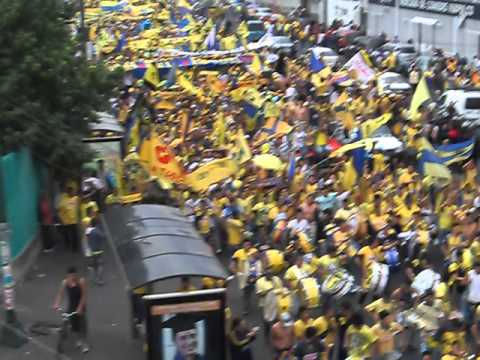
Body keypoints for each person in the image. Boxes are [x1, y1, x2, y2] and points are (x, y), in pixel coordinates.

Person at [53, 267, 89, 353]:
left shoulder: (81, 281)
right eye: (69, 276)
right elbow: (60, 294)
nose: (71, 278)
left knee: (82, 325)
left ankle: (83, 343)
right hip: (72, 306)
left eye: (73, 276)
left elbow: (84, 295)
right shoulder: (65, 282)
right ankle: (78, 339)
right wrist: (56, 304)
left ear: (76, 275)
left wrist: (80, 307)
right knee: (74, 326)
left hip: (80, 306)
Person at [57, 186, 80, 253]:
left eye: (74, 192)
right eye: (72, 192)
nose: (73, 193)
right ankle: (67, 243)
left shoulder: (76, 198)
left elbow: (81, 201)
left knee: (74, 234)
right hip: (66, 221)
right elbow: (59, 210)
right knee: (66, 234)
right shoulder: (63, 200)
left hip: (74, 221)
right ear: (68, 192)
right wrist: (60, 219)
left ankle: (75, 248)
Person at [85, 217, 106, 285]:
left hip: (91, 251)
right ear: (96, 224)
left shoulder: (88, 231)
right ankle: (99, 280)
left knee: (92, 265)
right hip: (98, 251)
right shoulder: (97, 231)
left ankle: (94, 278)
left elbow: (87, 239)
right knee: (100, 265)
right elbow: (103, 236)